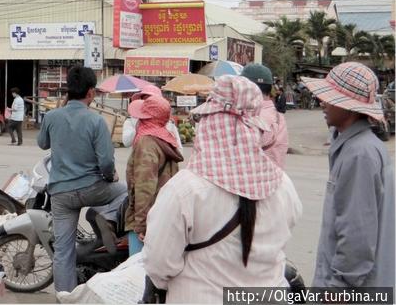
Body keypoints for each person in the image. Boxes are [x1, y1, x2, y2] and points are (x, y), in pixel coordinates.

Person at [143, 75, 302, 303]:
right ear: (255, 128)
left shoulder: (185, 190)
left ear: (209, 123)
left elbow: (159, 264)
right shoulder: (283, 184)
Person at [302, 63, 395, 288]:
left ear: (350, 108)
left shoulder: (359, 154)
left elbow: (357, 235)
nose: (322, 102)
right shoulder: (356, 146)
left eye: (330, 97)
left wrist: (339, 286)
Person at [37, 65, 124, 292]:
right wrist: (110, 176)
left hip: (61, 194)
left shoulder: (52, 116)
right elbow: (106, 162)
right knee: (124, 190)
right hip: (93, 189)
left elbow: (42, 143)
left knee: (63, 251)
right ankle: (105, 216)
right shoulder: (96, 121)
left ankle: (64, 297)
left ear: (68, 91)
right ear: (91, 93)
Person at [124, 94, 183, 256]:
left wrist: (141, 225)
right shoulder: (165, 140)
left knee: (137, 271)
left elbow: (144, 187)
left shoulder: (147, 143)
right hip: (163, 213)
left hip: (149, 218)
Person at [241, 63, 289, 169]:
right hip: (276, 178)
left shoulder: (254, 117)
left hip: (254, 180)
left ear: (248, 88)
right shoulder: (278, 117)